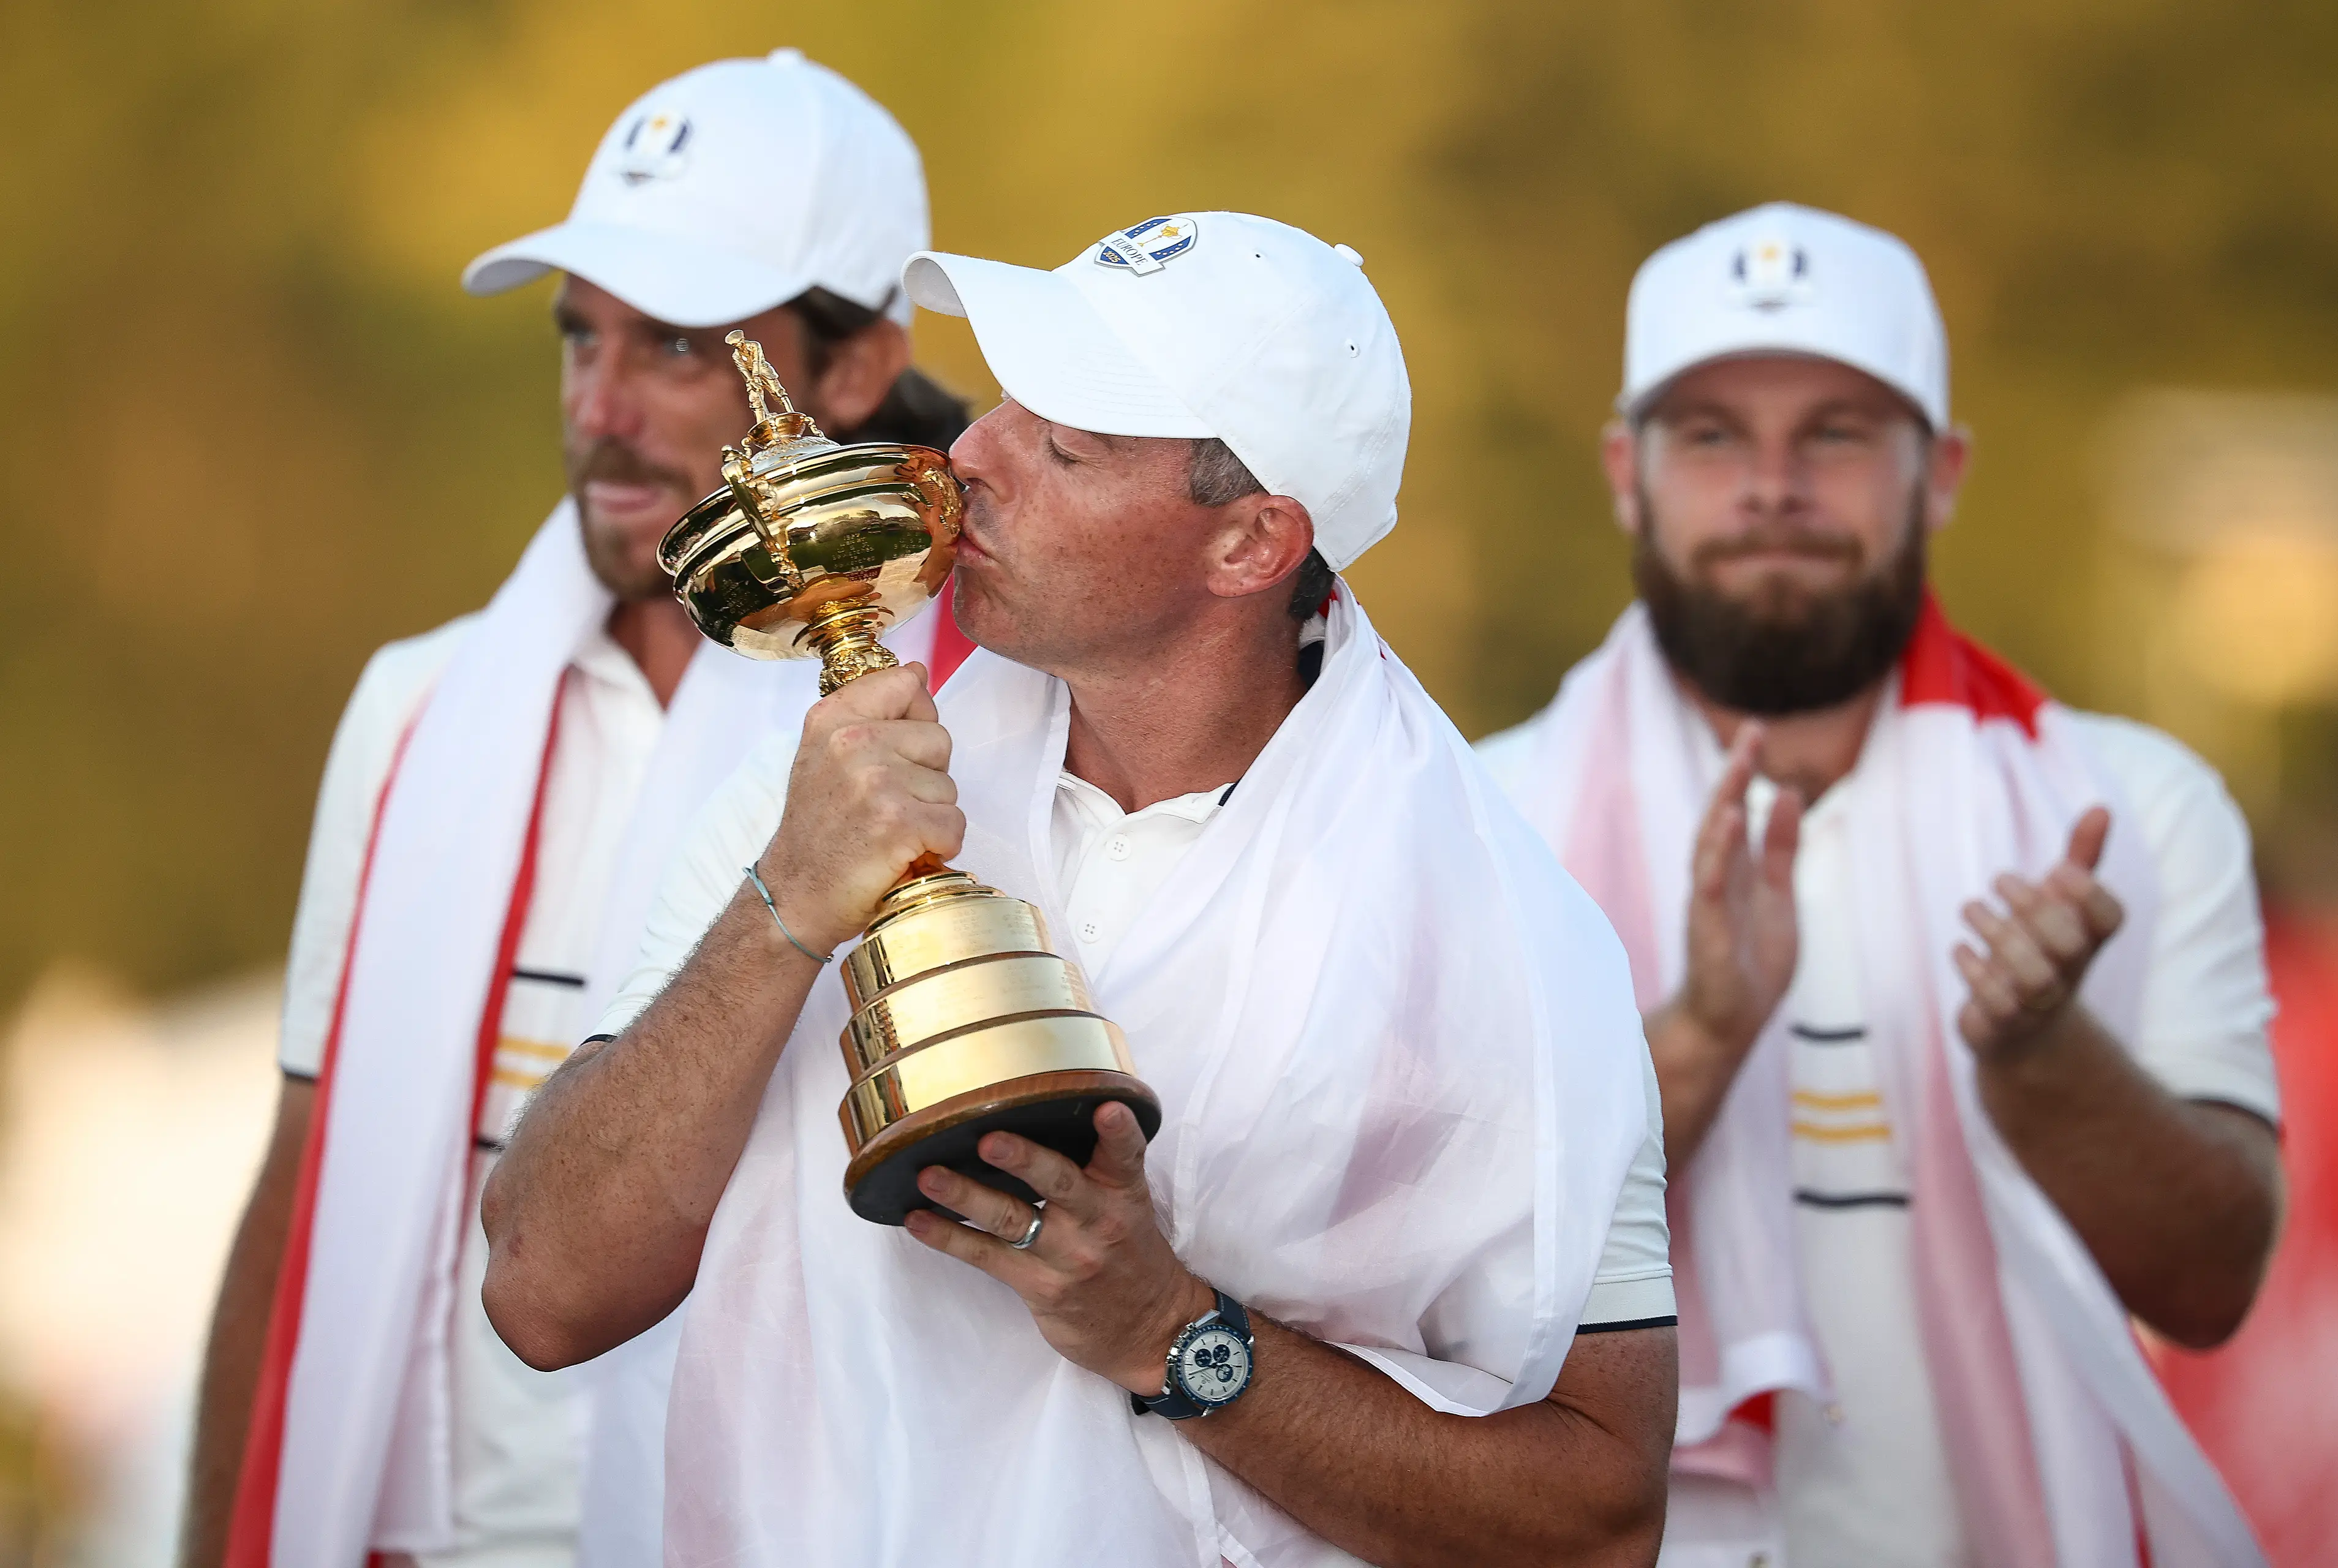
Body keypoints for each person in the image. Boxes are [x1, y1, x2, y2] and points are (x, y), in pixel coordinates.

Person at [480, 211, 1678, 1567]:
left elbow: (1601, 1516)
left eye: (1065, 444)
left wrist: (1177, 1334)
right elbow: (541, 1288)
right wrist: (787, 909)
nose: (968, 455)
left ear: (1249, 543)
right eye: (1000, 401)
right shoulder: (819, 787)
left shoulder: (1500, 938)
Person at [181, 51, 970, 1568]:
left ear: (864, 364)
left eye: (675, 345)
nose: (600, 408)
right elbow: (300, 1195)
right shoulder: (418, 715)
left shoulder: (980, 713)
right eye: (578, 337)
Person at [1477, 201, 2283, 1567]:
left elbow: (2211, 1285)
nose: (1774, 485)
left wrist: (2045, 1058)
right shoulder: (1485, 812)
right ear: (1626, 468)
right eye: (1713, 433)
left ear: (1944, 470)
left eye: (1839, 433)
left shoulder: (2130, 807)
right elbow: (1430, 1288)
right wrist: (1703, 1037)